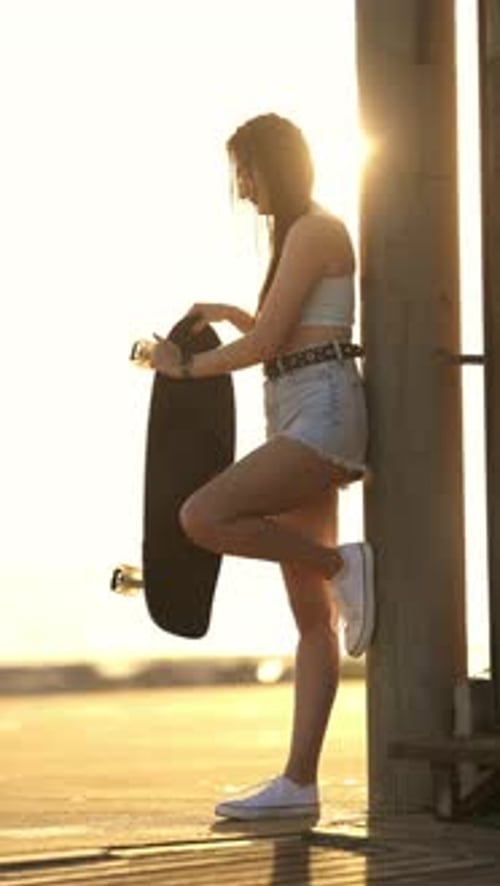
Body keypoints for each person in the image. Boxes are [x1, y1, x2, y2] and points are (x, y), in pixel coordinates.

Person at [150, 113, 375, 822]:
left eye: (246, 170)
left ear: (275, 162)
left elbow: (278, 341)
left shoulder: (315, 229)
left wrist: (183, 368)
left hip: (323, 413)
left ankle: (345, 567)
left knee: (202, 516)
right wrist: (237, 316)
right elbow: (284, 337)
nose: (243, 188)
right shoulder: (296, 238)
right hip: (298, 404)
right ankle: (299, 784)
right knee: (309, 622)